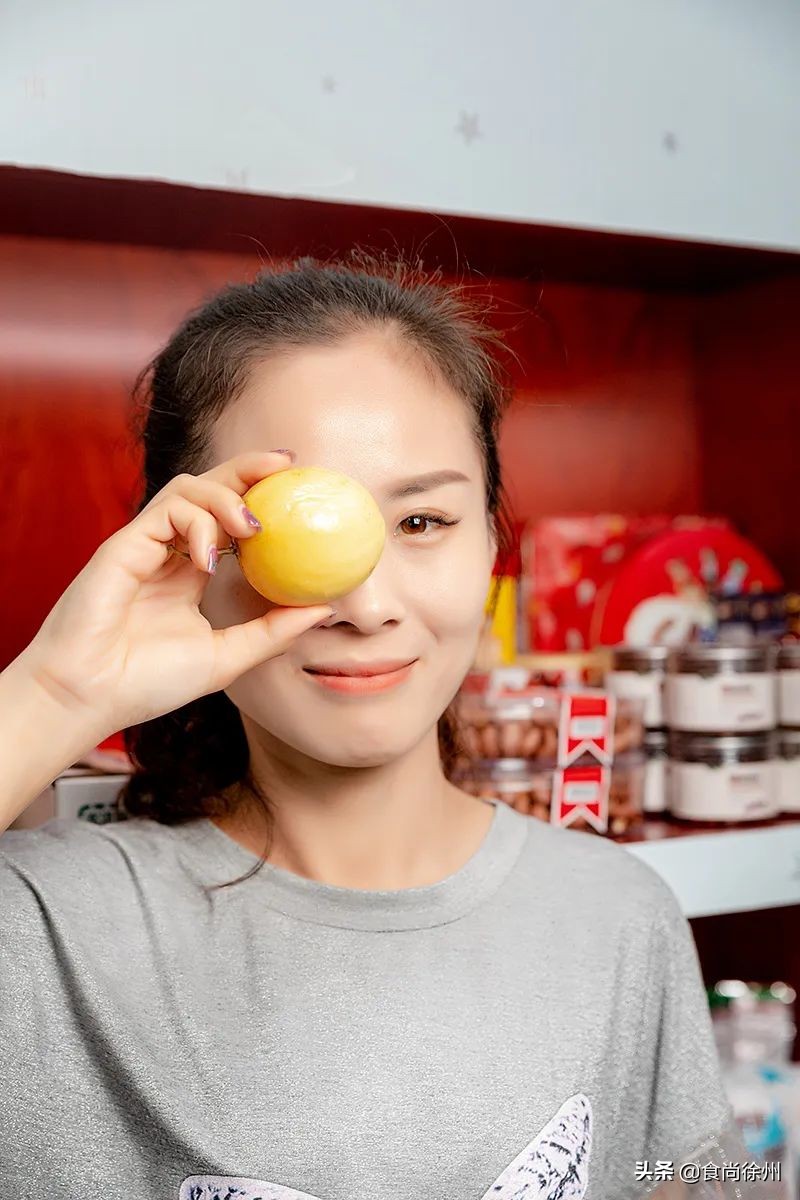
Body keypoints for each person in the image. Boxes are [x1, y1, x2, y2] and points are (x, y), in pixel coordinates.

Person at [0, 258, 760, 1200]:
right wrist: (57, 693)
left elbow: (700, 1178)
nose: (364, 604)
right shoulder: (44, 924)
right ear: (187, 555)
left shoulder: (619, 913)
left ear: (492, 542)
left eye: (424, 519)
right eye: (292, 534)